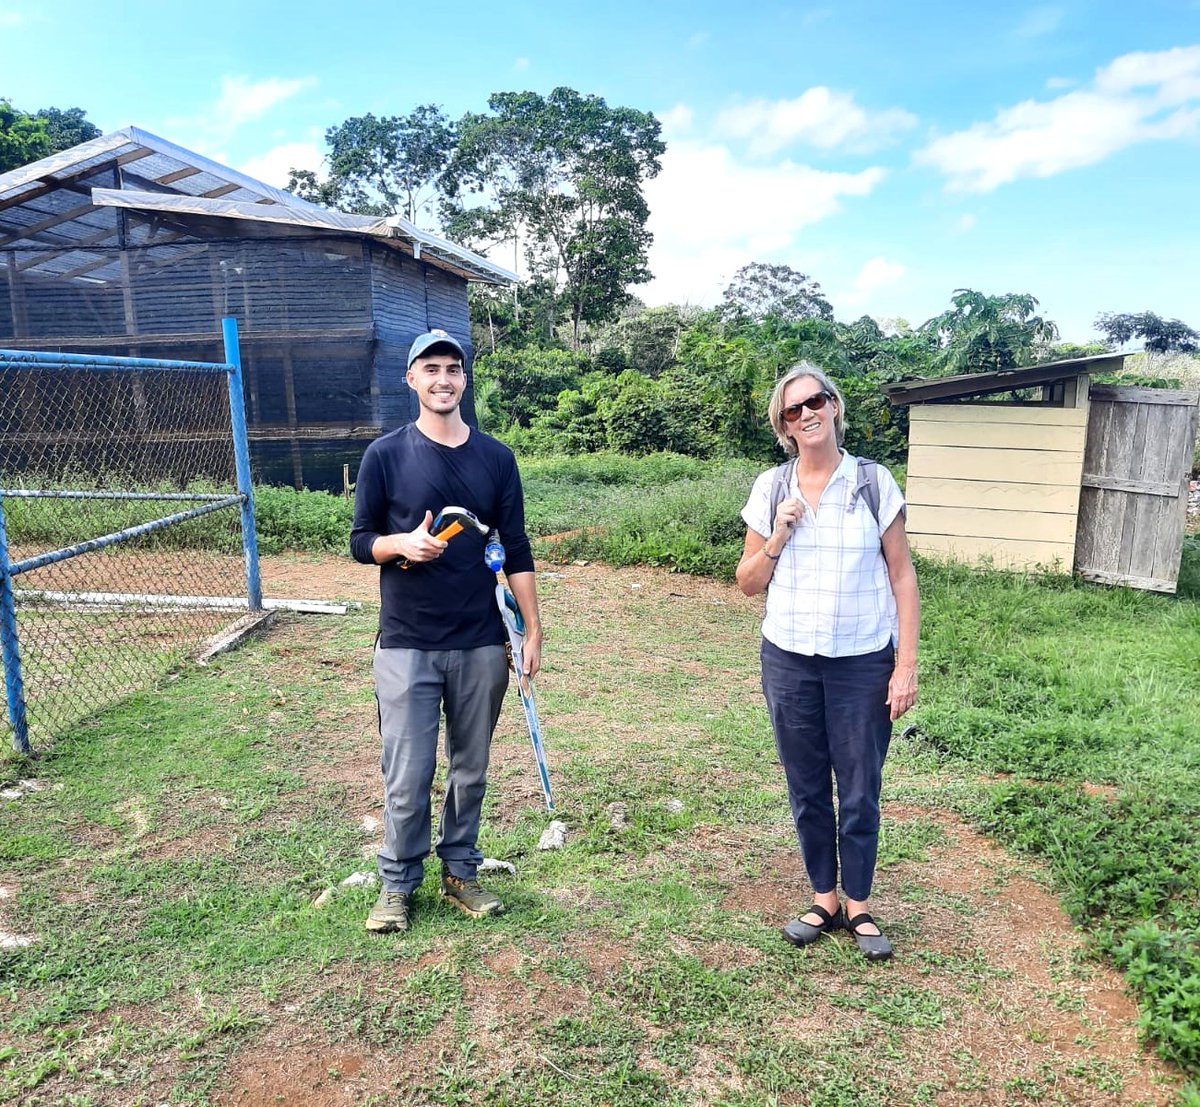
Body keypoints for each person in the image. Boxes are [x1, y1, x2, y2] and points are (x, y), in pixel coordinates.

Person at [350, 328, 542, 934]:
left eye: (452, 369)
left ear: (465, 379)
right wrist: (398, 543)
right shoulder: (384, 455)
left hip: (481, 641)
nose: (442, 379)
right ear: (411, 380)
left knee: (471, 766)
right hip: (406, 643)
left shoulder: (495, 458)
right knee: (407, 774)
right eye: (429, 369)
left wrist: (531, 631)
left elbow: (515, 547)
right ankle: (398, 884)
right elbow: (359, 543)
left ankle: (461, 871)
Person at [735, 363, 919, 961]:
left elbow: (902, 575)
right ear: (783, 427)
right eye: (793, 410)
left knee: (860, 785)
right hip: (788, 659)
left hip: (863, 662)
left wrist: (905, 663)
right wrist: (777, 534)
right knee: (808, 785)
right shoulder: (771, 488)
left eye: (815, 401)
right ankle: (824, 897)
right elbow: (746, 583)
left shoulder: (871, 482)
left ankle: (860, 903)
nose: (807, 414)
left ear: (834, 406)